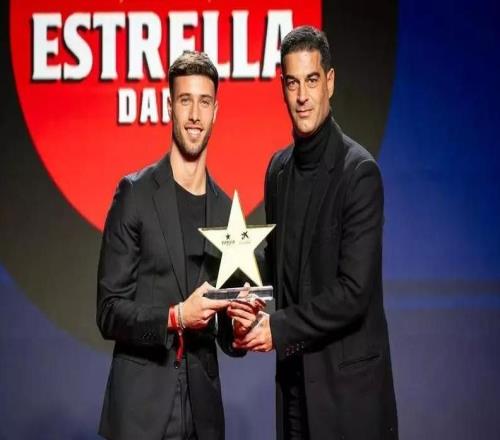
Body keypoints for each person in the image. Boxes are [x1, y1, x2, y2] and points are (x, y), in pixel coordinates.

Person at [230, 26, 398, 439]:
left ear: (330, 82)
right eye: (292, 83)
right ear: (282, 88)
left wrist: (277, 328)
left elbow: (353, 292)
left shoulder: (359, 174)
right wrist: (238, 300)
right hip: (294, 391)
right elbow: (279, 262)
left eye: (311, 80)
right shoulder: (278, 170)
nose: (302, 95)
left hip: (348, 398)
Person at [97, 50, 252, 440]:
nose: (195, 115)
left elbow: (227, 336)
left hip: (203, 416)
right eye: (186, 101)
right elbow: (109, 311)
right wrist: (176, 316)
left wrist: (240, 327)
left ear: (216, 111)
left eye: (204, 102)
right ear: (170, 106)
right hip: (141, 412)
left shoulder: (226, 210)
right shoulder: (134, 194)